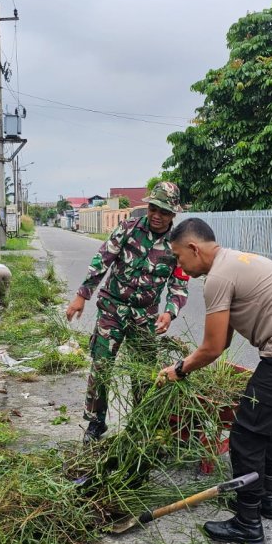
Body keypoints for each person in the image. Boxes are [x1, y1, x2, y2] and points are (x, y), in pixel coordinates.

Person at [157, 218, 272, 544]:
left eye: (179, 257)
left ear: (194, 248)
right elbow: (221, 343)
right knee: (268, 424)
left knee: (245, 435)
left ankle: (247, 523)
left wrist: (178, 370)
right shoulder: (235, 261)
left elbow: (210, 348)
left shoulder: (218, 278)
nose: (179, 265)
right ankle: (265, 501)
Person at [65, 182, 190, 442]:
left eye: (163, 211)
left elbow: (179, 284)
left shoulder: (177, 245)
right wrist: (81, 296)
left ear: (173, 214)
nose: (156, 215)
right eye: (153, 208)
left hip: (145, 317)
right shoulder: (128, 229)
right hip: (112, 309)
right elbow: (102, 261)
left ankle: (141, 424)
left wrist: (169, 312)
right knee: (101, 367)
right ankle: (96, 423)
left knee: (144, 373)